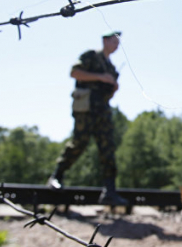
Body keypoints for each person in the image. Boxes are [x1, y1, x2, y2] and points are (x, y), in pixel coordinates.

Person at [47, 31, 129, 206]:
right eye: (114, 41)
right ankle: (56, 176)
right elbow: (74, 73)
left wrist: (113, 86)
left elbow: (109, 94)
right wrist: (101, 77)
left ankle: (110, 191)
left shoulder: (112, 68)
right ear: (105, 40)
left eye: (118, 42)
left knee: (108, 149)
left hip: (103, 111)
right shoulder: (91, 56)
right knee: (79, 142)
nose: (117, 45)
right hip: (85, 108)